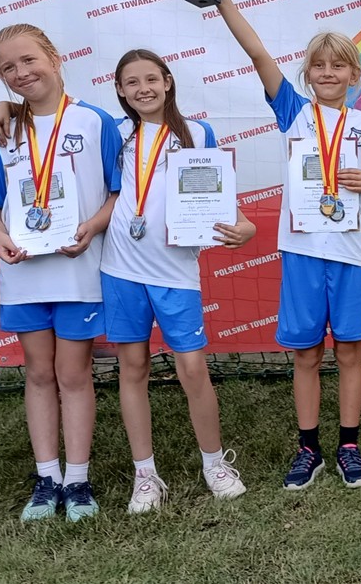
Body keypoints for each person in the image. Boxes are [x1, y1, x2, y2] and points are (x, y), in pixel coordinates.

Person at [196, 0, 361, 489]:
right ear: (307, 75)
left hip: (349, 254)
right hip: (303, 253)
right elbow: (257, 52)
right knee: (305, 354)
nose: (328, 73)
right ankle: (309, 448)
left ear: (354, 75)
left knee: (349, 352)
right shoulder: (293, 111)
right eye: (319, 66)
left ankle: (348, 444)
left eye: (339, 66)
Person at [101, 49, 256, 512]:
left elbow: (218, 197)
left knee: (192, 368)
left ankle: (214, 464)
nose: (143, 88)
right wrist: (5, 106)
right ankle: (145, 475)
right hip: (121, 269)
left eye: (151, 78)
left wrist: (244, 227)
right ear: (120, 90)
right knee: (133, 368)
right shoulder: (113, 134)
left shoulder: (197, 133)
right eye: (132, 82)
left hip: (175, 272)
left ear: (168, 81)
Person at [0, 24, 120, 520]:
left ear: (55, 57)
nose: (21, 72)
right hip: (24, 276)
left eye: (29, 60)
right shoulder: (2, 131)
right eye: (8, 67)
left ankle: (77, 480)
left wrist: (92, 227)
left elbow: (119, 192)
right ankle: (47, 478)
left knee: (73, 374)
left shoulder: (95, 122)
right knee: (39, 373)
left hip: (79, 272)